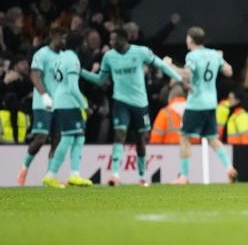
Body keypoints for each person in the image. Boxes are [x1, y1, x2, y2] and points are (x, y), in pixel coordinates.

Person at [80, 28, 183, 186]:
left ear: (123, 38)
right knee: (119, 135)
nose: (111, 42)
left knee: (141, 139)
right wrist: (81, 72)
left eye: (114, 39)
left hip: (140, 104)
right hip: (120, 102)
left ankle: (142, 176)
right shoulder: (109, 57)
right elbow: (101, 80)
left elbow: (161, 65)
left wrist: (179, 79)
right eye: (110, 39)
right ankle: (115, 174)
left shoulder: (140, 52)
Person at [169, 27, 237, 184]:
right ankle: (229, 167)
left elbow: (186, 74)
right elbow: (229, 71)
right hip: (211, 103)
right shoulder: (214, 54)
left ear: (191, 39)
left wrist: (170, 65)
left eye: (187, 37)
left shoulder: (192, 56)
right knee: (212, 138)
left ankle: (184, 176)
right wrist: (219, 62)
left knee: (184, 137)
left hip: (196, 103)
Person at [42, 31, 93, 188]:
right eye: (84, 42)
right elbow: (72, 88)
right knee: (68, 138)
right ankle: (50, 175)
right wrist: (85, 105)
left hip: (61, 100)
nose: (85, 45)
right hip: (68, 103)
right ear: (78, 44)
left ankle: (74, 175)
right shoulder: (73, 59)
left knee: (79, 137)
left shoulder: (61, 57)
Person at [17, 27, 66, 186]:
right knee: (40, 139)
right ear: (53, 36)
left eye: (65, 37)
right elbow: (35, 75)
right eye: (62, 37)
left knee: (57, 140)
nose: (64, 40)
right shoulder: (42, 54)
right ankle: (24, 169)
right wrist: (44, 95)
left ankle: (49, 178)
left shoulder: (64, 56)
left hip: (59, 104)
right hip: (42, 103)